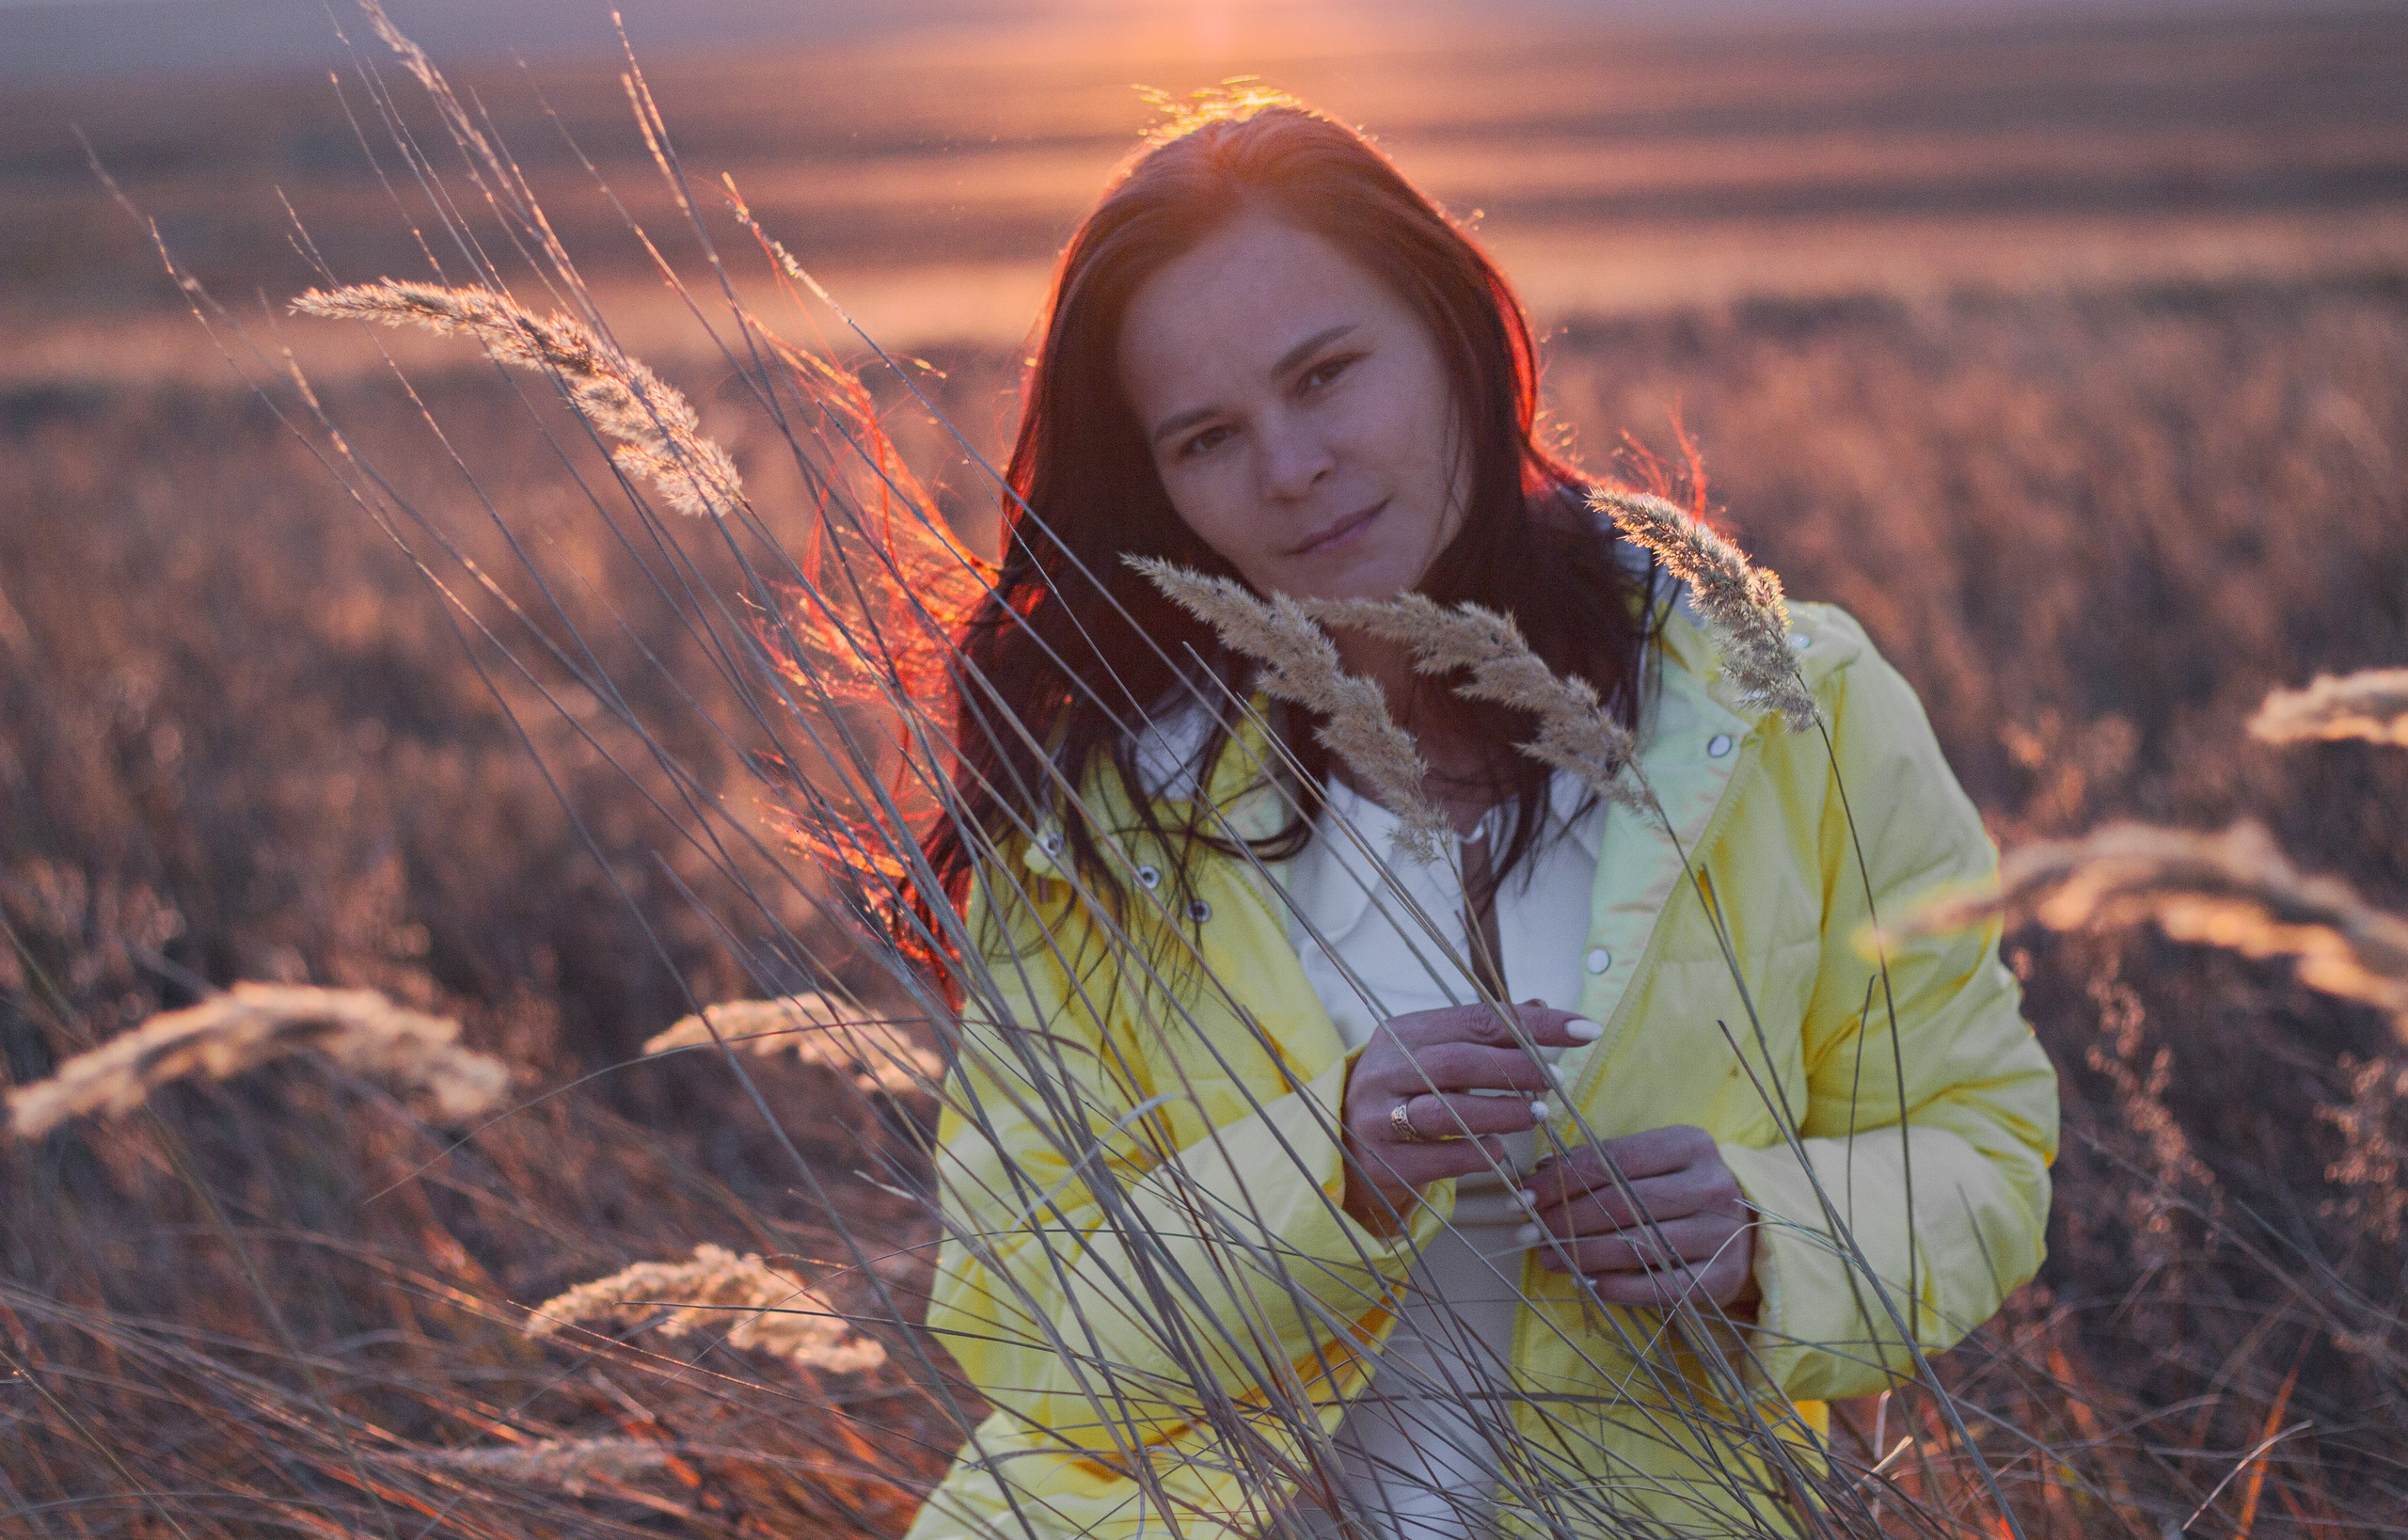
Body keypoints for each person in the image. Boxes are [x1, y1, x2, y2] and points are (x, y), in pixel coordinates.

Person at [899, 93, 2057, 1540]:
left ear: (1455, 331)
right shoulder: (1103, 813)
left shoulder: (1785, 712)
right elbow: (1027, 1321)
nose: (1290, 468)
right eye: (1206, 438)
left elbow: (1980, 1148)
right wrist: (1334, 1165)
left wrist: (1767, 1229)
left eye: (1326, 374)